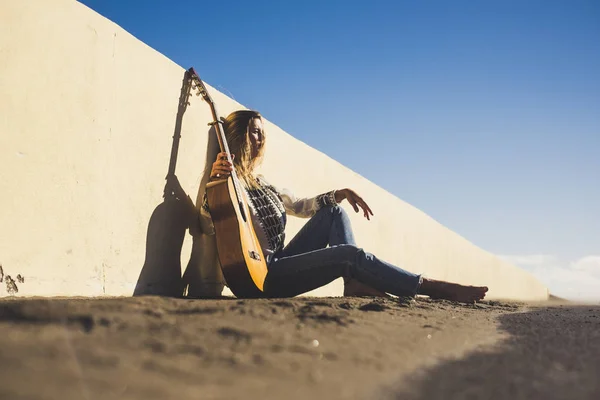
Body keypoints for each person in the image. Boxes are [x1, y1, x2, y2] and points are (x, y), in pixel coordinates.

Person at [166, 110, 488, 303]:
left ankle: (355, 283)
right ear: (237, 135)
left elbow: (304, 206)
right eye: (254, 132)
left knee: (334, 212)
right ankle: (429, 286)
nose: (260, 140)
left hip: (281, 262)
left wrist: (340, 193)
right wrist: (215, 181)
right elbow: (208, 222)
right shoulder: (225, 185)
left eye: (263, 134)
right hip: (261, 276)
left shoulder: (266, 186)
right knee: (349, 256)